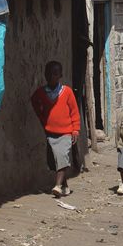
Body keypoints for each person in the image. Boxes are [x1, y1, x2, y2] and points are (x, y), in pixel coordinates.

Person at [31, 61, 81, 197]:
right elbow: (34, 101)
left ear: (60, 75)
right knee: (54, 161)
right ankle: (65, 186)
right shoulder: (41, 92)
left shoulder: (67, 92)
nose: (52, 76)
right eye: (49, 73)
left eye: (55, 74)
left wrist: (75, 129)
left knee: (62, 157)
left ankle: (58, 186)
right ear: (45, 74)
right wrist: (42, 118)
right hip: (50, 133)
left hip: (66, 132)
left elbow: (74, 112)